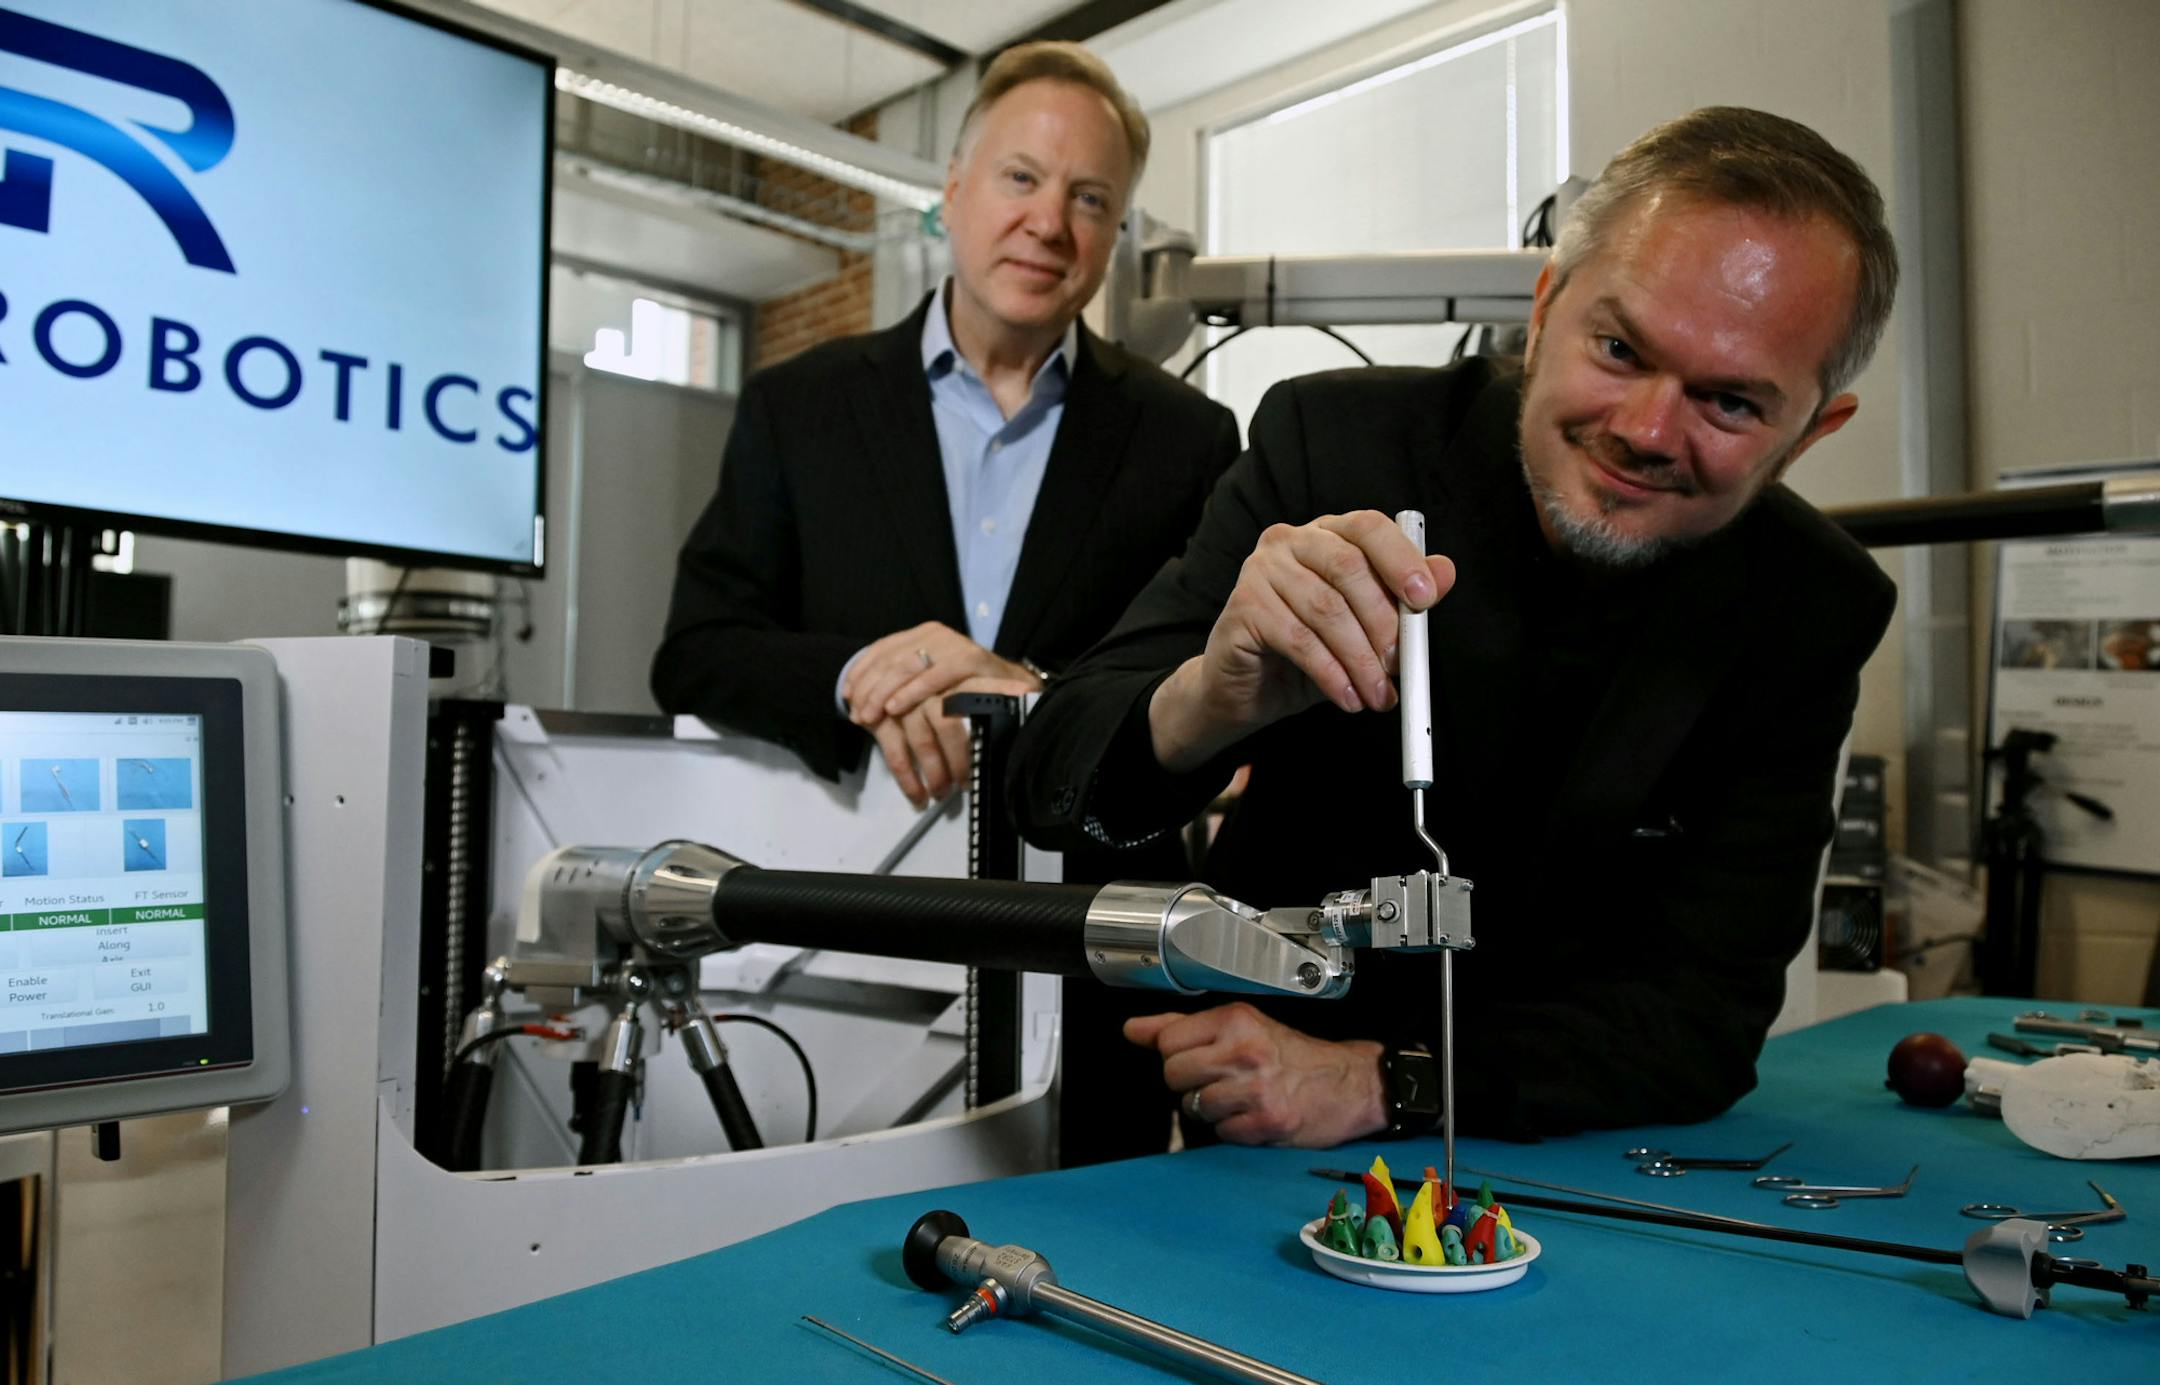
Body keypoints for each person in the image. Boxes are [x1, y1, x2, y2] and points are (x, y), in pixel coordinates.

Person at [1011, 107, 1901, 1150]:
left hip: (1574, 1150)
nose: (1646, 431)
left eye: (1732, 403)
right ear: (1546, 304)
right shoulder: (1333, 446)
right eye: (1619, 348)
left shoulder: (1810, 606)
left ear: (1811, 431)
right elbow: (1051, 780)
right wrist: (1208, 698)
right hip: (1257, 1142)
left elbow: (1704, 1016)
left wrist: (1382, 1080)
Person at [652, 43, 1238, 812]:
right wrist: (863, 676)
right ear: (954, 188)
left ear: (1116, 231)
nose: (1048, 223)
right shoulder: (798, 405)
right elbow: (696, 654)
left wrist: (1038, 695)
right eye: (1021, 178)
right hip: (851, 868)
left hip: (1087, 874)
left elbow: (1211, 684)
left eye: (1090, 199)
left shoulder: (1188, 439)